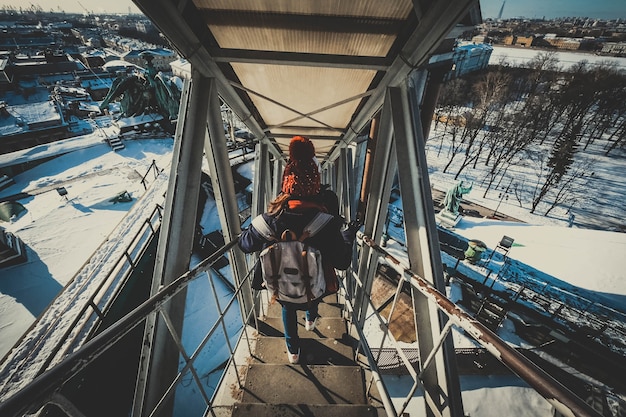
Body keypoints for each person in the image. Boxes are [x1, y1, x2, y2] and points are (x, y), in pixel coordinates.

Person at [238, 135, 359, 364]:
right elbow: (342, 261)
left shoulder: (271, 220)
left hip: (281, 285)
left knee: (287, 306)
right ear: (315, 186)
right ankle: (311, 320)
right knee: (311, 293)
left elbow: (245, 244)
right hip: (312, 288)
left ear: (286, 185)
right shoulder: (325, 222)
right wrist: (346, 235)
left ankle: (293, 351)